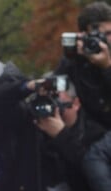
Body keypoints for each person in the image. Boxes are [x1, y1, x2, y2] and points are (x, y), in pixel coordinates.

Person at [55, 1, 111, 130]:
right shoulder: (74, 61)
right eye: (99, 35)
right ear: (83, 35)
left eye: (110, 33)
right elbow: (58, 87)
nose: (107, 40)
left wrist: (107, 67)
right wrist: (76, 58)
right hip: (90, 135)